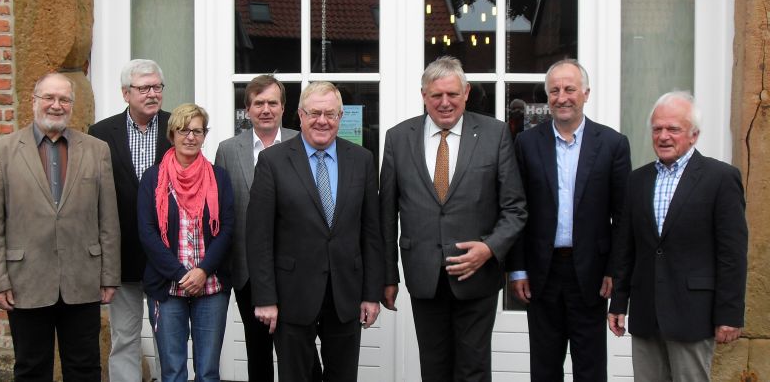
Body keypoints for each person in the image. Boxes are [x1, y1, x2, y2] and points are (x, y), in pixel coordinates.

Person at [379, 56, 527, 382]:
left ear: (467, 93)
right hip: (424, 277)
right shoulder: (398, 138)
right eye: (436, 95)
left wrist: (488, 249)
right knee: (433, 369)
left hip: (478, 277)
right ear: (423, 95)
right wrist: (388, 276)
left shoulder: (495, 134)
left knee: (473, 371)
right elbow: (387, 216)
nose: (445, 103)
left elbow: (515, 208)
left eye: (452, 94)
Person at [0, 73, 120, 381]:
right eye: (49, 98)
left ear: (71, 105)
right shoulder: (1, 152)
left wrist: (109, 276)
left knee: (85, 368)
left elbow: (108, 219)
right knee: (31, 368)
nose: (56, 106)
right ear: (34, 102)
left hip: (83, 280)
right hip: (25, 282)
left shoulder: (97, 150)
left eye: (64, 99)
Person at [246, 81, 384, 382]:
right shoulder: (273, 161)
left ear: (341, 116)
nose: (322, 121)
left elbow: (371, 234)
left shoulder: (362, 160)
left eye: (331, 114)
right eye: (315, 113)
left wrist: (371, 294)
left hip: (345, 294)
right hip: (291, 294)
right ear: (299, 114)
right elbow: (258, 237)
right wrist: (265, 297)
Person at [608, 91, 748, 381]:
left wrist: (730, 315)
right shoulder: (637, 180)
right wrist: (619, 303)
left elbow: (732, 254)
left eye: (673, 129)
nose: (663, 136)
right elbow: (626, 248)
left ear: (694, 135)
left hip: (693, 315)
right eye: (657, 129)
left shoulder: (720, 179)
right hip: (646, 313)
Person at [506, 59, 631, 381]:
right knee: (544, 368)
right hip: (541, 274)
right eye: (555, 90)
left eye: (570, 89)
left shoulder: (613, 145)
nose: (562, 97)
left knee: (590, 367)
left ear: (586, 94)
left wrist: (614, 271)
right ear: (547, 96)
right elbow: (516, 210)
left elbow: (624, 216)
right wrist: (518, 269)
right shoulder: (526, 144)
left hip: (591, 274)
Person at [215, 75, 322, 382]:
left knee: (301, 352)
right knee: (258, 353)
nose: (265, 109)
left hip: (296, 269)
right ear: (247, 109)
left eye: (272, 103)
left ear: (284, 107)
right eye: (258, 103)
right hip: (248, 270)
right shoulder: (227, 150)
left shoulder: (302, 142)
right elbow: (224, 211)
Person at [137, 103, 235, 382]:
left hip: (211, 286)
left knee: (207, 371)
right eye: (183, 130)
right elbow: (147, 233)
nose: (190, 137)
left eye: (197, 130)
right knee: (172, 371)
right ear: (172, 134)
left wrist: (202, 271)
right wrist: (181, 275)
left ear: (204, 135)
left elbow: (227, 229)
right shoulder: (153, 179)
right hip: (167, 287)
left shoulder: (219, 177)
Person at [88, 58, 171, 381]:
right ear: (125, 93)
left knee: (168, 337)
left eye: (157, 87)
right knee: (124, 337)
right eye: (143, 88)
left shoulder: (175, 126)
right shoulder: (100, 133)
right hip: (121, 258)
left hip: (165, 257)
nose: (152, 94)